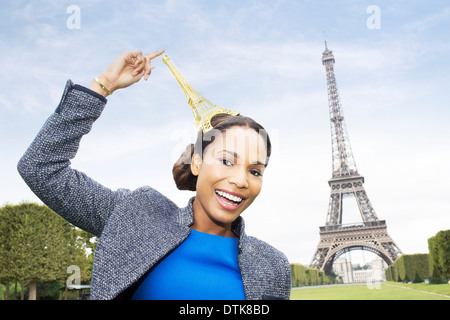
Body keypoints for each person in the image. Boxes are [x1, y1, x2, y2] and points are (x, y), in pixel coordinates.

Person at [17, 50, 291, 300]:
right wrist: (104, 85)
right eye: (226, 161)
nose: (241, 181)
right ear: (197, 163)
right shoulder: (138, 215)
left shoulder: (272, 265)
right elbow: (41, 167)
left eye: (255, 171)